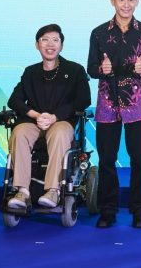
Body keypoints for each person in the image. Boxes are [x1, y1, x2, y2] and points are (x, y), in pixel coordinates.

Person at [87, 0, 141, 229]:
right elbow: (91, 69)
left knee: (140, 160)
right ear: (112, 1)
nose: (126, 4)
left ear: (137, 1)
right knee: (107, 160)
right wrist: (100, 69)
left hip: (137, 106)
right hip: (107, 105)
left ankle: (139, 211)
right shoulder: (98, 33)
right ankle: (108, 211)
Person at [6, 24, 91, 210]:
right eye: (44, 40)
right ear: (37, 45)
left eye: (55, 40)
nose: (50, 44)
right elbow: (15, 100)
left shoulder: (75, 70)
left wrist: (55, 116)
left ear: (61, 45)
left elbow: (83, 100)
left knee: (60, 133)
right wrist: (36, 115)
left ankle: (53, 190)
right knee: (19, 133)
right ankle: (22, 191)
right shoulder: (31, 72)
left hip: (61, 121)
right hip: (34, 122)